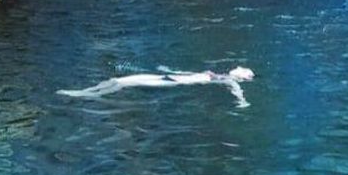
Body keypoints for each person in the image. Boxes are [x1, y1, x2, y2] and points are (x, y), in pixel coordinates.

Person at [57, 66, 255, 108]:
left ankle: (86, 95)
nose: (237, 68)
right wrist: (167, 68)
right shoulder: (215, 73)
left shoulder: (228, 81)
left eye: (243, 70)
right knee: (117, 79)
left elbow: (237, 91)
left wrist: (243, 102)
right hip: (165, 76)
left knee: (121, 85)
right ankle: (86, 92)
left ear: (244, 77)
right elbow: (185, 72)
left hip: (167, 83)